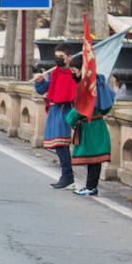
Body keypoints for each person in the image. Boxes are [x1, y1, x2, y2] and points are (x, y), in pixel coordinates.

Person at [66, 58, 115, 196]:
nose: (73, 74)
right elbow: (107, 106)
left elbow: (81, 108)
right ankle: (90, 185)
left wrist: (71, 118)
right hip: (95, 125)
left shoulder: (90, 87)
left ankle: (91, 186)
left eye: (75, 71)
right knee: (93, 160)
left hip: (92, 127)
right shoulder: (98, 84)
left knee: (94, 159)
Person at [34, 45, 79, 189]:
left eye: (61, 57)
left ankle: (68, 177)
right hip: (54, 110)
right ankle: (66, 176)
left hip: (66, 110)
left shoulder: (73, 73)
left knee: (62, 144)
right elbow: (43, 90)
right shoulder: (54, 73)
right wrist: (40, 81)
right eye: (57, 57)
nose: (58, 59)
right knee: (58, 146)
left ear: (69, 57)